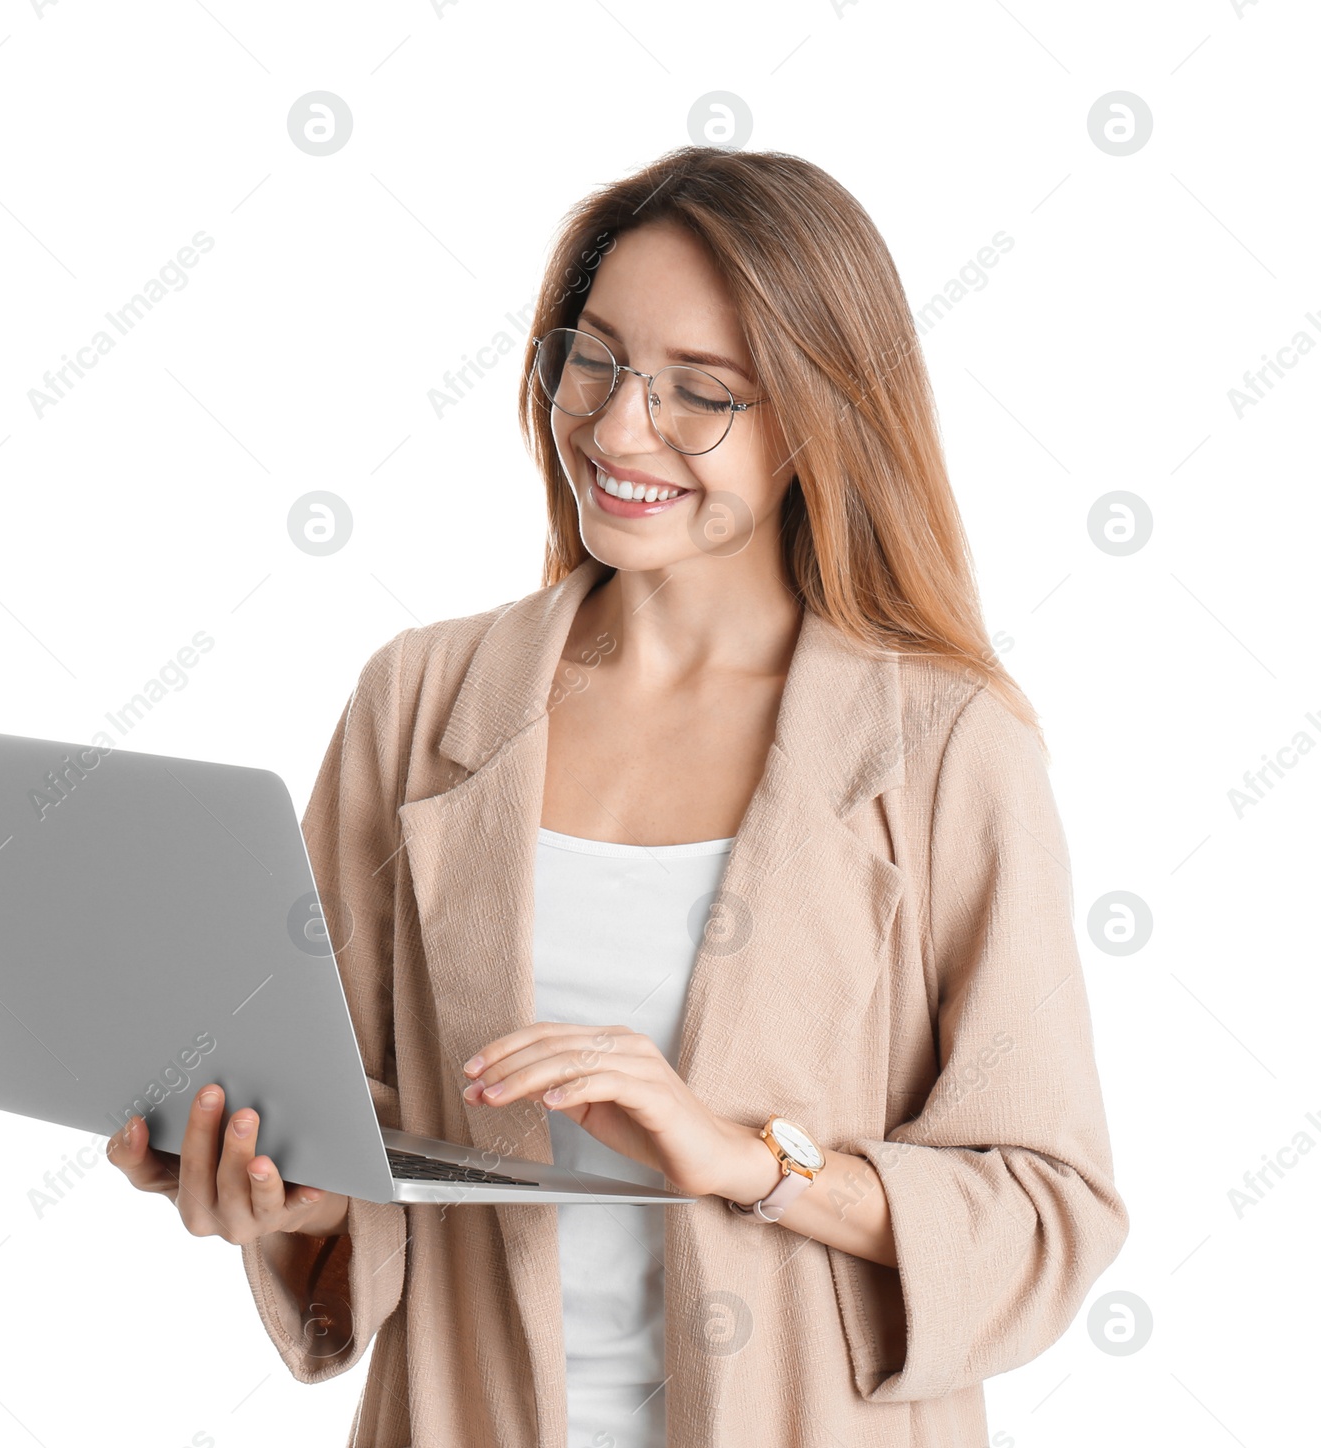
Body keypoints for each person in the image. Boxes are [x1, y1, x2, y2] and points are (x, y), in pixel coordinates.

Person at [107, 146, 1129, 1448]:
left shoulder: (943, 744)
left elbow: (1048, 1208)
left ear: (824, 424)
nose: (614, 428)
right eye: (590, 360)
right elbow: (349, 1130)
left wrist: (751, 1163)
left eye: (700, 394)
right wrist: (273, 1190)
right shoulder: (421, 701)